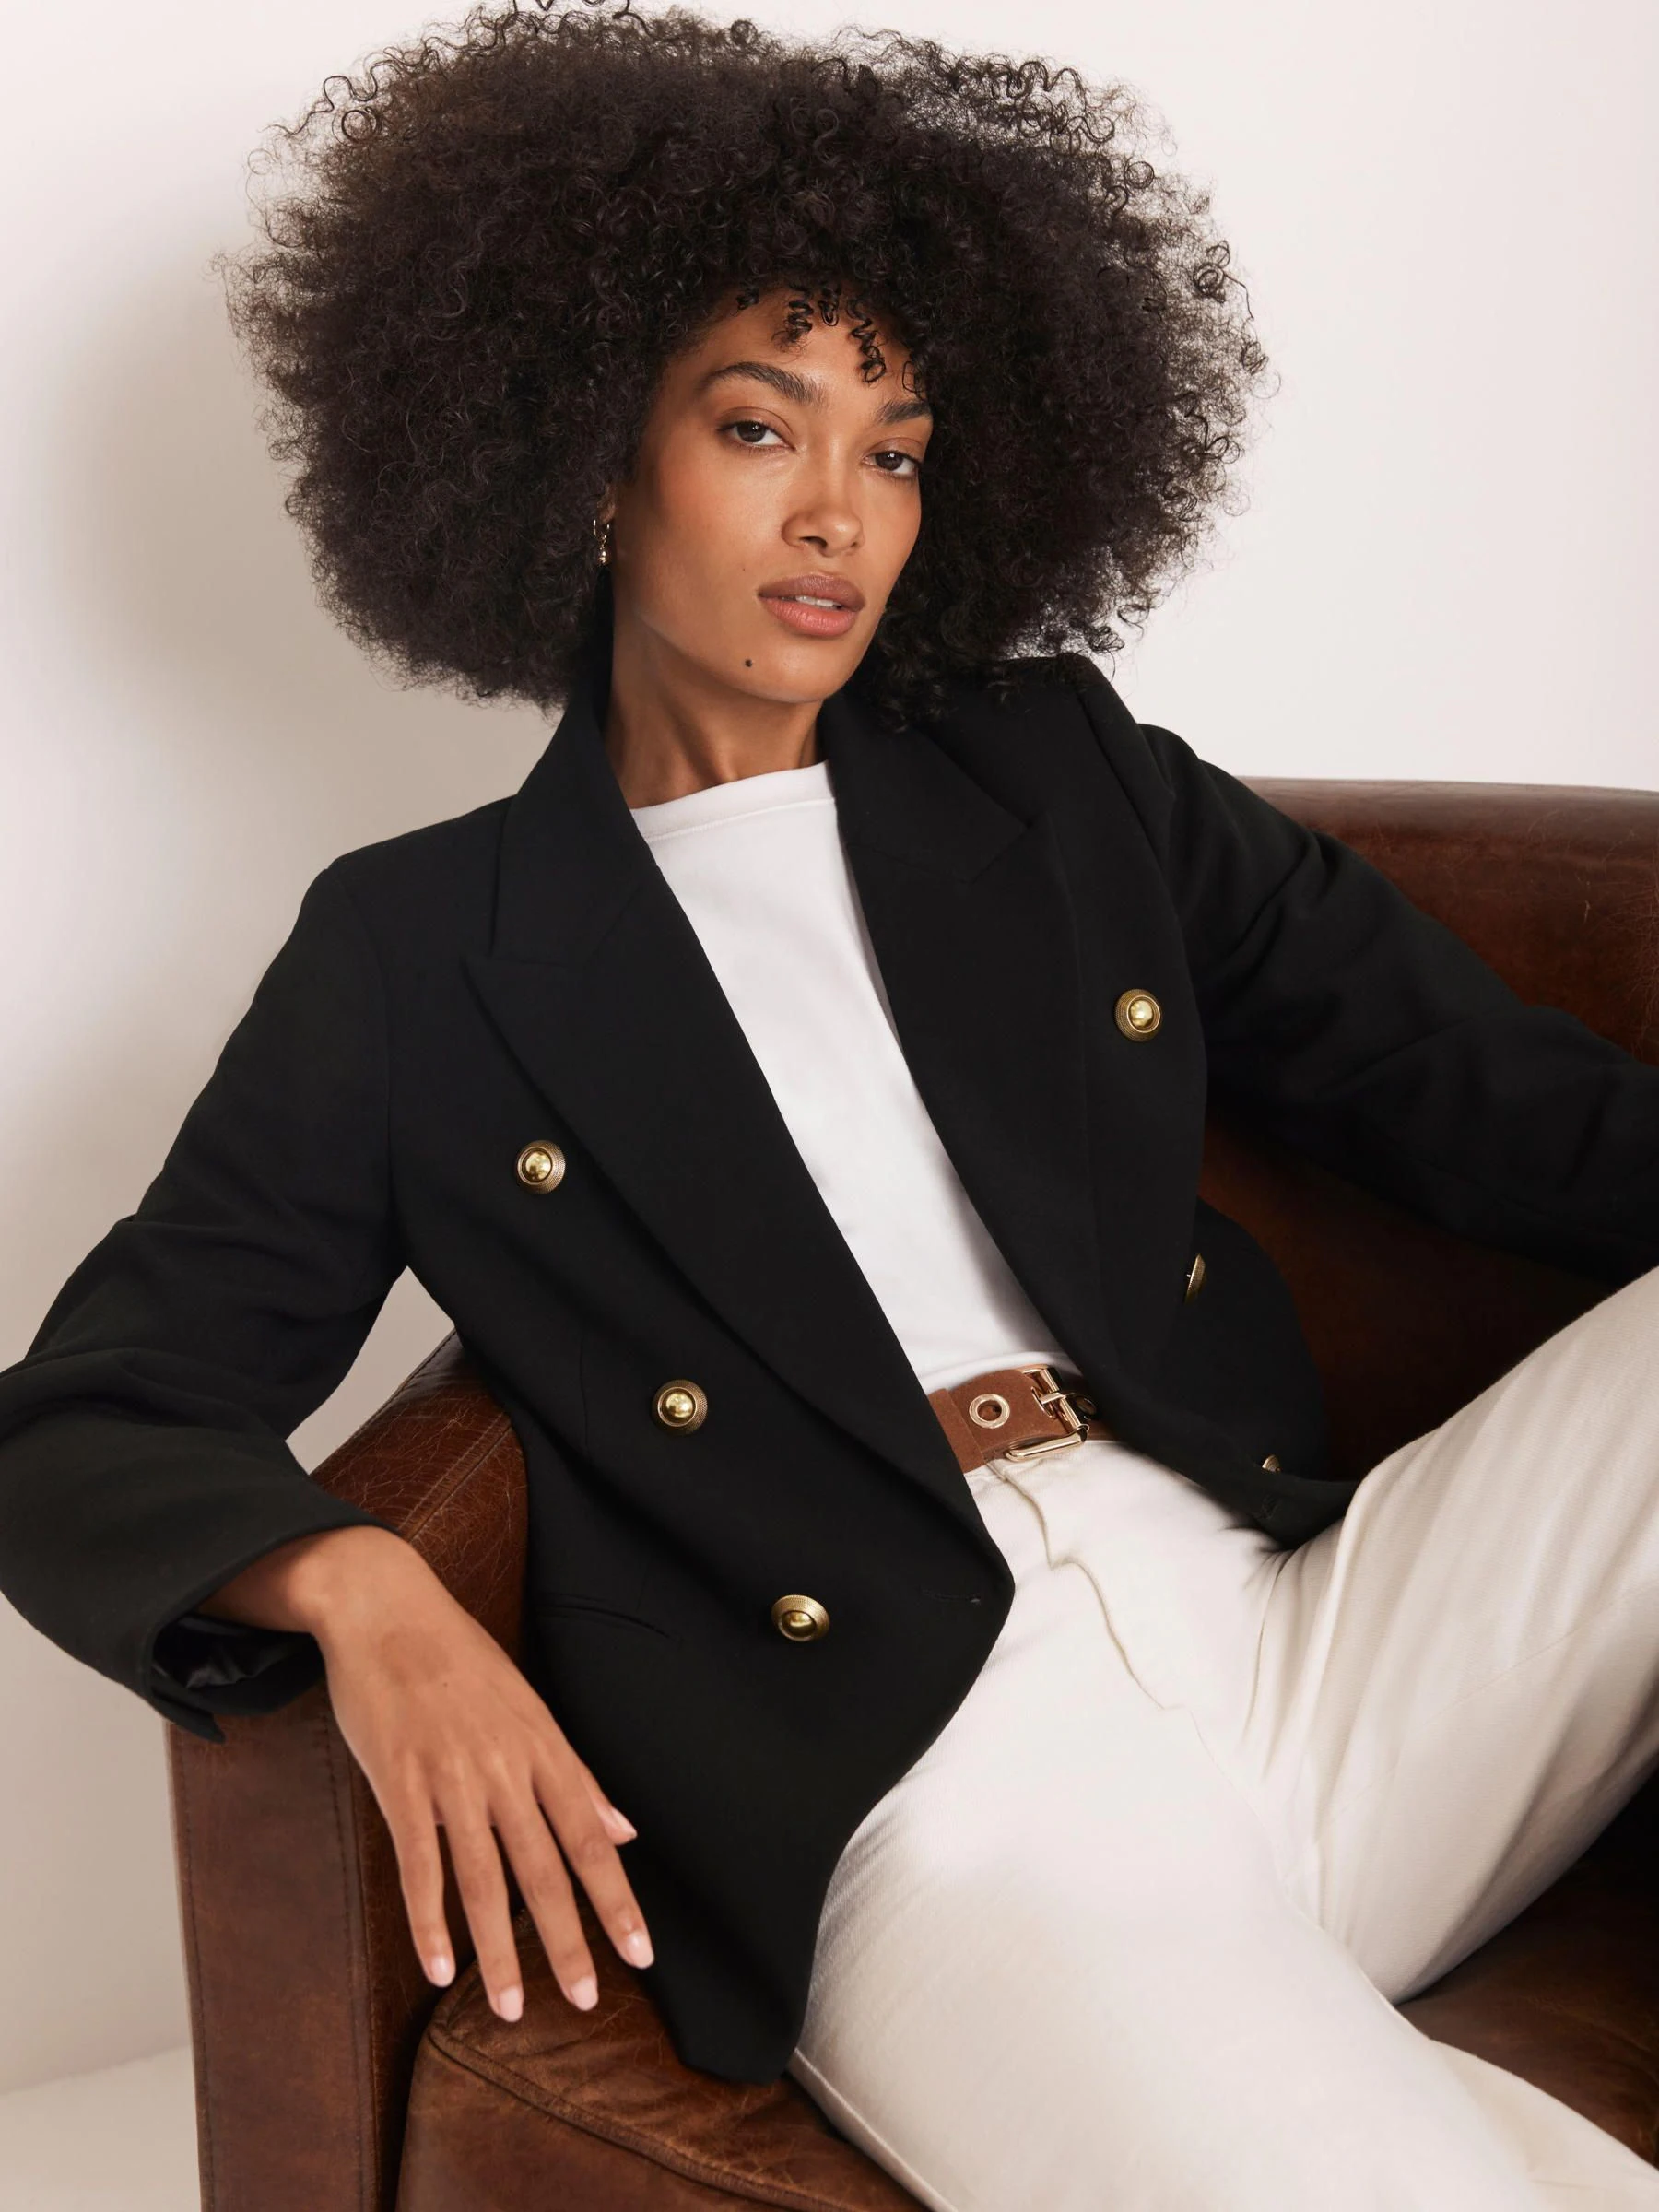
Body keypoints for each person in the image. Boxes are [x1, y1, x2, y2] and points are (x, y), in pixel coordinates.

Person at [2, 4, 1657, 2205]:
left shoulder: (1057, 776)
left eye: (894, 447)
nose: (837, 514)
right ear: (591, 459)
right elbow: (92, 1409)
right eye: (758, 424)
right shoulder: (421, 950)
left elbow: (1492, 1100)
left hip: (1309, 1634)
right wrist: (362, 1585)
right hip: (938, 1780)